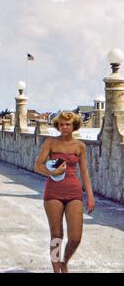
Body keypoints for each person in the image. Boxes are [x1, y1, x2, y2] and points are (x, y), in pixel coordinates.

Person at [35, 111, 95, 273]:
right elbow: (38, 166)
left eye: (67, 124)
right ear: (57, 126)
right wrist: (52, 173)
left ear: (74, 125)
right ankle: (56, 270)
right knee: (56, 235)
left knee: (75, 238)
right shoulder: (50, 143)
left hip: (74, 192)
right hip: (53, 192)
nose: (64, 127)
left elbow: (84, 173)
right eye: (61, 124)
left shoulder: (80, 146)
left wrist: (90, 196)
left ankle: (64, 262)